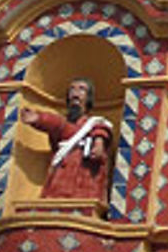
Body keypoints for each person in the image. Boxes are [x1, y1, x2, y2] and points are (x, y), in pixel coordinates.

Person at [20, 77, 113, 205]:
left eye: (81, 89)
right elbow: (61, 128)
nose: (75, 92)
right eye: (72, 89)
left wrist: (98, 144)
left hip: (84, 181)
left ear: (88, 97)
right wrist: (39, 120)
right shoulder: (64, 126)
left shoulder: (94, 123)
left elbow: (100, 131)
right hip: (60, 178)